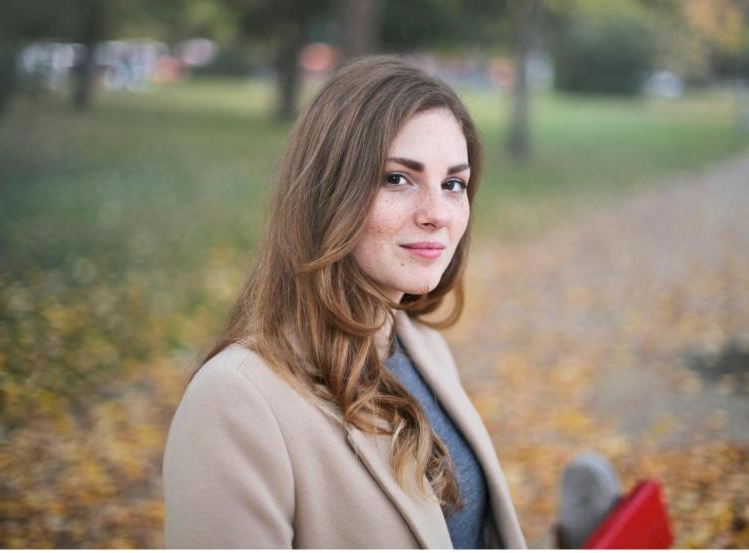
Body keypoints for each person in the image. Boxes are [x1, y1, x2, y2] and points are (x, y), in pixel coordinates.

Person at [162, 55, 527, 549]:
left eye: (453, 184)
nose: (438, 214)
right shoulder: (235, 401)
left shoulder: (420, 345)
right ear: (328, 192)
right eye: (397, 178)